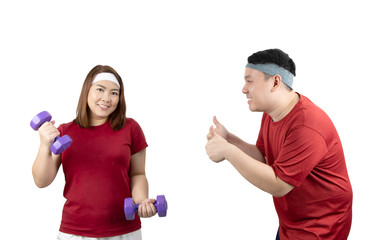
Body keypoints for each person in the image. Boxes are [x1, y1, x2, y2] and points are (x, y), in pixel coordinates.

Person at [205, 49, 353, 239]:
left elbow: (279, 184)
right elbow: (263, 157)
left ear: (275, 82)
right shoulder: (272, 113)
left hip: (321, 228)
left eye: (249, 81)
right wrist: (230, 139)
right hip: (291, 224)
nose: (243, 89)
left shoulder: (307, 125)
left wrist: (227, 151)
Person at [32, 65, 157, 240]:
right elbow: (41, 181)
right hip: (74, 231)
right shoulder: (64, 132)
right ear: (87, 91)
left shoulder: (131, 128)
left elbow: (137, 174)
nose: (107, 98)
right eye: (100, 89)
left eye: (114, 93)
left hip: (124, 230)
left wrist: (141, 201)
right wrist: (45, 144)